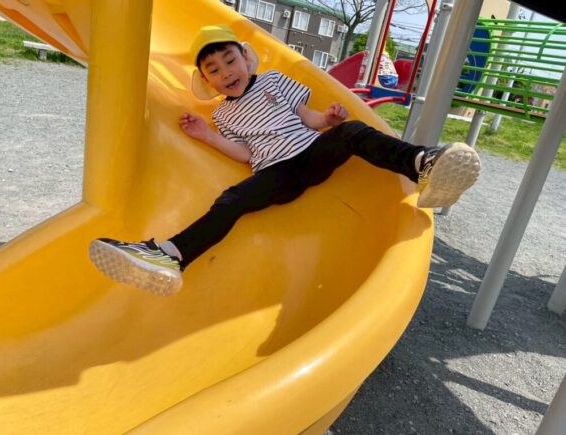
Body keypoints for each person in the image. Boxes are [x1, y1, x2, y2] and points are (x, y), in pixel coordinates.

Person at [89, 24, 481, 296]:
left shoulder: (275, 80)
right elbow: (244, 154)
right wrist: (206, 135)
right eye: (214, 70)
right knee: (231, 200)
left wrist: (328, 120)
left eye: (229, 60)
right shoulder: (222, 114)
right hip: (276, 173)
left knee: (352, 132)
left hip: (311, 152)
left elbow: (307, 117)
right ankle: (171, 255)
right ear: (207, 82)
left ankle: (422, 164)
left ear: (246, 59)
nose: (226, 72)